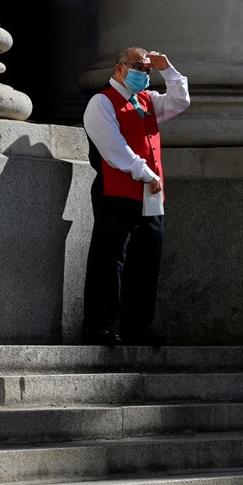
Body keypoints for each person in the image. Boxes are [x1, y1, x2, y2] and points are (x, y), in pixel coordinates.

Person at [80, 47, 190, 347]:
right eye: (139, 68)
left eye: (148, 70)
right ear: (119, 69)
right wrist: (144, 172)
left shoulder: (146, 100)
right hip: (117, 191)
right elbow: (114, 149)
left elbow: (180, 101)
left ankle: (138, 327)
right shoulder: (101, 103)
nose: (145, 74)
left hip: (150, 195)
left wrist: (167, 69)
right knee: (110, 258)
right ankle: (99, 327)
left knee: (146, 259)